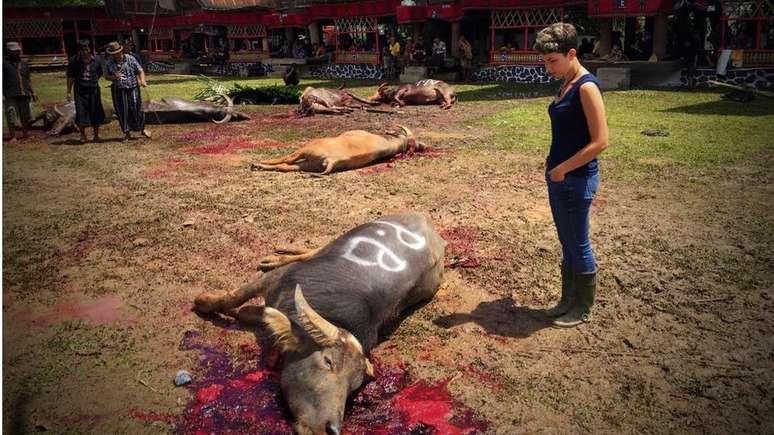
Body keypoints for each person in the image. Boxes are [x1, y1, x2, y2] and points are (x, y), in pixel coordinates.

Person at [533, 23, 608, 328]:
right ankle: (567, 300)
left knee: (579, 244)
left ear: (572, 53)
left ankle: (582, 307)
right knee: (567, 242)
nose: (548, 67)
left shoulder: (586, 87)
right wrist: (554, 167)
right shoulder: (565, 83)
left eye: (553, 60)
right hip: (560, 177)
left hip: (576, 180)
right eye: (545, 61)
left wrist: (563, 168)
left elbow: (601, 141)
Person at [104, 41, 151, 141]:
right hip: (119, 90)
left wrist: (142, 80)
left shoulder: (130, 58)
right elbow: (106, 77)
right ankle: (127, 132)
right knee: (123, 111)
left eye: (117, 53)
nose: (116, 55)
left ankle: (142, 129)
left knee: (137, 108)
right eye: (113, 54)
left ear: (121, 51)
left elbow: (140, 70)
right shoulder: (109, 62)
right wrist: (113, 77)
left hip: (133, 87)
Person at [67, 40, 105, 143]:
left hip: (93, 89)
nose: (85, 52)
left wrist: (93, 80)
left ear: (90, 50)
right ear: (79, 51)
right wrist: (68, 92)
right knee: (81, 111)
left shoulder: (97, 60)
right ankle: (83, 136)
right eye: (82, 50)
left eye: (87, 49)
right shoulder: (73, 61)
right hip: (80, 90)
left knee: (95, 110)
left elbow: (100, 73)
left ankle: (96, 135)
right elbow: (70, 77)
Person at [3, 41, 37, 142]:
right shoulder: (4, 64)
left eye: (18, 51)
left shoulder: (24, 64)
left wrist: (33, 92)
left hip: (24, 93)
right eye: (14, 51)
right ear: (9, 51)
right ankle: (13, 136)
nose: (17, 53)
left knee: (25, 115)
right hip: (10, 94)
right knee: (11, 115)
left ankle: (25, 134)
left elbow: (28, 79)